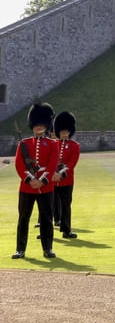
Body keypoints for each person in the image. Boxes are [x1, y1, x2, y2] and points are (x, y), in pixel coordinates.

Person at [13, 103, 58, 259]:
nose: (38, 128)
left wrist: (42, 180)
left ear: (46, 126)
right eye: (36, 125)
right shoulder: (23, 143)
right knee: (23, 217)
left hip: (45, 187)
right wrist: (30, 179)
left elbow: (52, 164)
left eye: (41, 125)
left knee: (46, 218)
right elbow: (19, 164)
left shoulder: (53, 144)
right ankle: (20, 249)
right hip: (27, 187)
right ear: (32, 125)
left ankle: (48, 248)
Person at [52, 111, 80, 240]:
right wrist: (53, 174)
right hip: (52, 180)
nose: (64, 133)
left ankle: (66, 230)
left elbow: (71, 163)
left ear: (70, 131)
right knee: (48, 206)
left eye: (66, 131)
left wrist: (60, 174)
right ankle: (46, 230)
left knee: (66, 205)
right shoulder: (53, 144)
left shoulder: (75, 146)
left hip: (66, 180)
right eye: (62, 131)